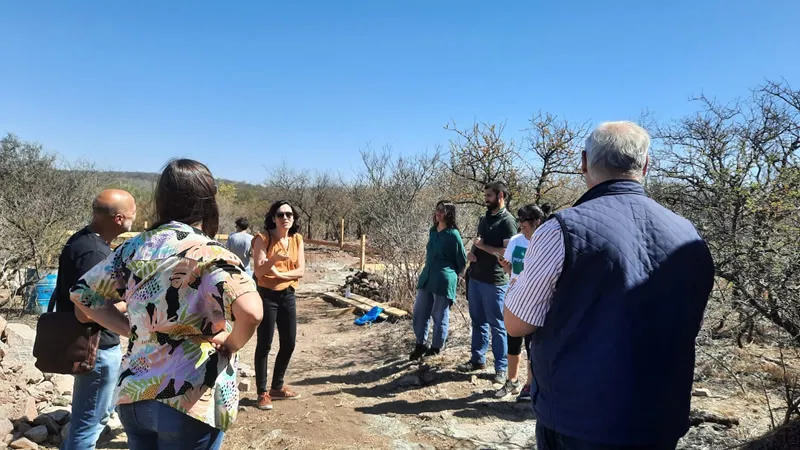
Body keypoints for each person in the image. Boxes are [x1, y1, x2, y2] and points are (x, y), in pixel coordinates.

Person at [504, 122, 714, 450]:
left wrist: (516, 284)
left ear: (584, 162)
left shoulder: (561, 229)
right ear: (646, 165)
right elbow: (690, 324)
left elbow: (517, 324)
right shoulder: (689, 234)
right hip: (660, 418)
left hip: (581, 421)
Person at [70, 159, 263, 450]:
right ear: (207, 199)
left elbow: (83, 296)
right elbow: (251, 312)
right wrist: (232, 344)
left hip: (135, 394)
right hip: (187, 396)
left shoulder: (133, 246)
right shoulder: (208, 251)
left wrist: (131, 329)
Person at [54, 189, 135, 450]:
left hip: (90, 343)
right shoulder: (95, 254)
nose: (136, 218)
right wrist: (130, 304)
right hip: (97, 347)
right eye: (134, 214)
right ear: (119, 219)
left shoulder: (81, 240)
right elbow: (86, 308)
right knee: (89, 424)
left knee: (92, 417)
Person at [458, 181, 518, 384]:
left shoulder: (508, 221)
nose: (486, 199)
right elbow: (479, 240)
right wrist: (472, 253)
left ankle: (501, 368)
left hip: (494, 280)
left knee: (497, 325)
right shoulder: (484, 218)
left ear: (500, 196)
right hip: (476, 276)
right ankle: (477, 359)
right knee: (478, 320)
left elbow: (506, 253)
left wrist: (483, 248)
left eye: (489, 196)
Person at [251, 200, 306, 411]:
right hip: (267, 296)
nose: (285, 218)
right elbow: (259, 272)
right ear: (273, 218)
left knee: (289, 342)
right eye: (281, 214)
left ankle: (277, 387)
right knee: (264, 344)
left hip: (288, 295)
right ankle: (262, 392)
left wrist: (281, 275)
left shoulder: (297, 239)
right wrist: (273, 259)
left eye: (289, 215)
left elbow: (300, 270)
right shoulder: (262, 239)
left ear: (294, 219)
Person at [493, 203, 550, 401]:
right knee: (513, 340)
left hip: (535, 299)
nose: (520, 225)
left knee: (532, 345)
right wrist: (506, 268)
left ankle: (530, 384)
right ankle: (512, 380)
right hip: (515, 296)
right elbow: (510, 269)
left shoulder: (545, 242)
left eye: (524, 221)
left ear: (536, 222)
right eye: (520, 220)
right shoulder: (516, 240)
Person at [409, 200, 468, 360]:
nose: (438, 213)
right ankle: (420, 344)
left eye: (442, 210)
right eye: (437, 210)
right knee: (420, 313)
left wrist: (451, 274)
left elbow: (461, 260)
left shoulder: (453, 234)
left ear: (449, 213)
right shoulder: (433, 231)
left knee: (439, 315)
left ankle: (436, 348)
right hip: (427, 277)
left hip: (443, 279)